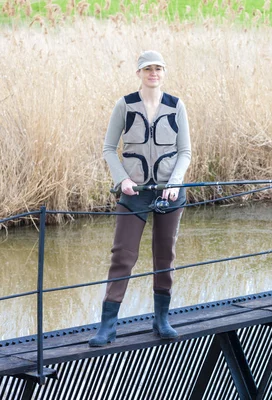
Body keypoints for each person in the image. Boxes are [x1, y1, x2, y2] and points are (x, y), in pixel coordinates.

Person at [89, 50, 192, 347]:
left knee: (164, 258)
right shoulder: (124, 105)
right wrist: (122, 179)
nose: (153, 73)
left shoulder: (176, 105)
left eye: (158, 68)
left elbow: (185, 152)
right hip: (133, 195)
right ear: (139, 73)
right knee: (122, 256)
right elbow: (109, 148)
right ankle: (107, 326)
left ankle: (161, 320)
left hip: (169, 194)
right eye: (148, 69)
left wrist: (174, 183)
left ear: (164, 72)